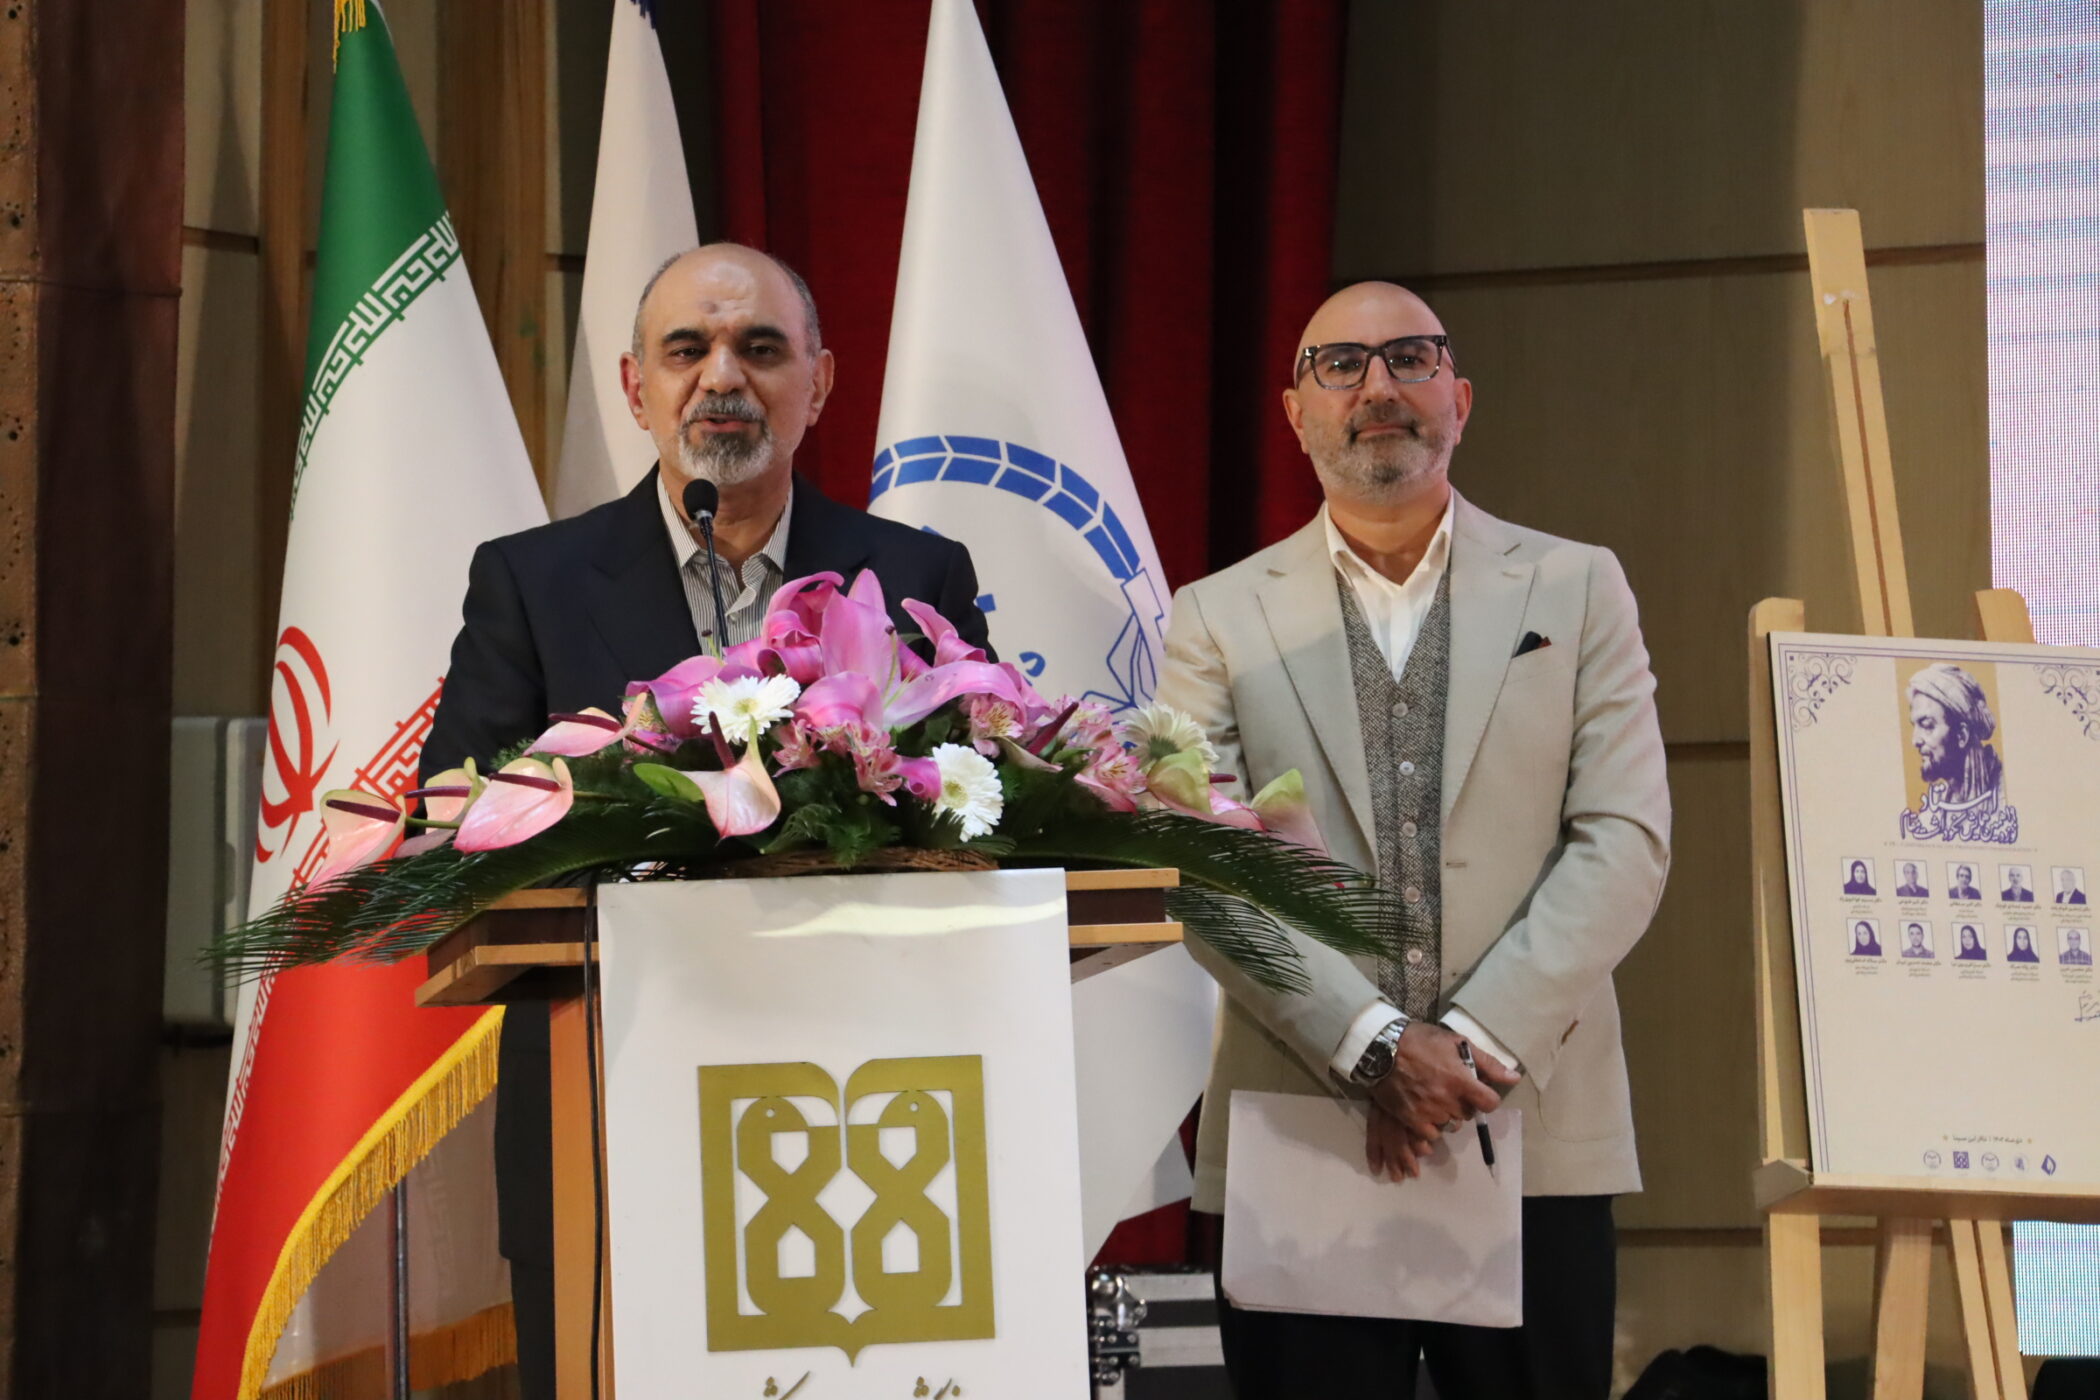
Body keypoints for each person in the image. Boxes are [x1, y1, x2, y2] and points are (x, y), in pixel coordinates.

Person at [421, 244, 994, 1400]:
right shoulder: (531, 580)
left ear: (819, 384)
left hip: (871, 1112)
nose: (722, 377)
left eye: (760, 348)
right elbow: (454, 817)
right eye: (688, 348)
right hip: (604, 1100)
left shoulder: (916, 573)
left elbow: (984, 809)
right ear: (636, 387)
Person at [1158, 282, 1670, 1400]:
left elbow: (1625, 839)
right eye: (1341, 365)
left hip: (1530, 1122)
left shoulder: (1578, 586)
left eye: (1410, 358)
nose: (1378, 387)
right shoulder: (1215, 615)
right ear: (1295, 412)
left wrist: (1467, 1051)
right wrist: (1376, 1043)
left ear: (1460, 398)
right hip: (1303, 1121)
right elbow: (1202, 868)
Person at [1899, 663, 2018, 842]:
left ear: (1962, 735)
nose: (1915, 740)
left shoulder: (2009, 797)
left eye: (1927, 725)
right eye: (1914, 726)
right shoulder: (1932, 813)